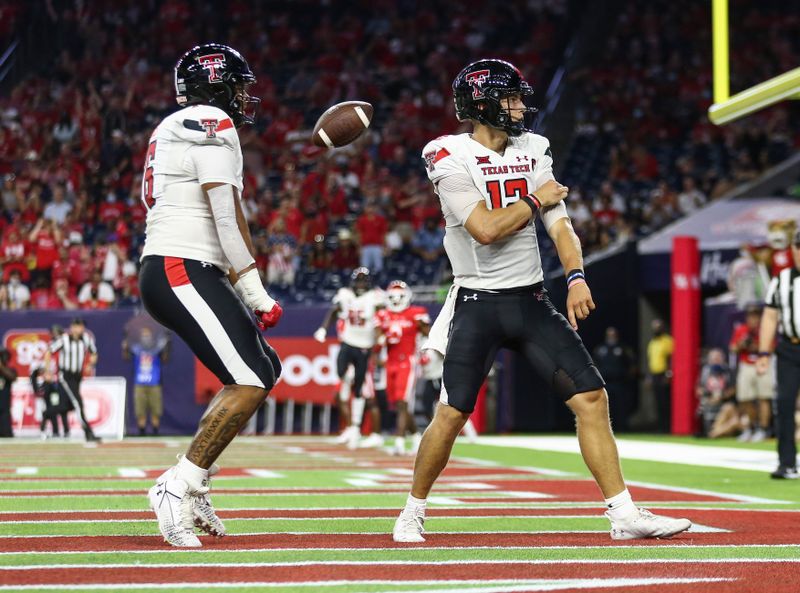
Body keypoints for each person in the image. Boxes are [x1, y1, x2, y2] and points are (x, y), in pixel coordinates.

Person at [392, 59, 690, 543]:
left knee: (592, 398)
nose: (518, 107)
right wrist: (534, 200)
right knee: (452, 412)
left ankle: (623, 515)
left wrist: (575, 276)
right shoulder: (447, 154)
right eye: (508, 99)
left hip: (531, 299)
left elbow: (561, 225)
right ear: (480, 106)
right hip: (477, 301)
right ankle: (412, 511)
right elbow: (485, 230)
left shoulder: (533, 148)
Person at [138, 44, 283, 547]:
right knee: (248, 378)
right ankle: (177, 486)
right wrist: (256, 291)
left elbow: (229, 209)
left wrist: (243, 283)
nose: (245, 97)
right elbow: (224, 216)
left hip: (183, 265)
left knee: (262, 369)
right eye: (238, 85)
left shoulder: (177, 126)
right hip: (182, 264)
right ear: (216, 85)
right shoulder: (210, 121)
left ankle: (195, 482)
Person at [314, 267, 384, 449]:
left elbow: (384, 313)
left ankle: (356, 428)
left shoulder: (375, 297)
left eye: (363, 280)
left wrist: (380, 338)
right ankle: (353, 428)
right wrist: (323, 328)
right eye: (358, 280)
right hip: (348, 342)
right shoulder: (344, 294)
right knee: (340, 374)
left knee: (360, 388)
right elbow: (334, 310)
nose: (360, 283)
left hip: (365, 347)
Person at [757, 230, 800, 479]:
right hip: (788, 348)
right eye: (798, 247)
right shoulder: (781, 279)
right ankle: (787, 463)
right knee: (783, 403)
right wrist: (764, 351)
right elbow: (770, 317)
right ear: (792, 249)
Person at [376, 281, 430, 455]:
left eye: (400, 296)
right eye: (392, 297)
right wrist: (381, 341)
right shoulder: (383, 314)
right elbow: (377, 342)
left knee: (402, 403)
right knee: (399, 405)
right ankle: (416, 437)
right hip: (390, 362)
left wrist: (424, 351)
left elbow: (427, 334)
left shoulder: (416, 313)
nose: (396, 300)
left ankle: (399, 442)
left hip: (407, 361)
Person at [43, 318, 100, 442]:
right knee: (78, 403)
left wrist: (90, 364)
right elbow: (49, 352)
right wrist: (47, 371)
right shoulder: (64, 339)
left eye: (81, 326)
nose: (79, 329)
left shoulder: (86, 339)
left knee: (67, 406)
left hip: (77, 377)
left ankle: (48, 412)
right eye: (76, 326)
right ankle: (88, 432)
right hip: (66, 376)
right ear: (72, 327)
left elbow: (94, 353)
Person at [730, 304, 774, 441]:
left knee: (764, 397)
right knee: (745, 398)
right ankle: (752, 427)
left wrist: (756, 346)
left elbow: (771, 349)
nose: (753, 319)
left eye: (755, 316)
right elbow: (733, 348)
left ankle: (764, 428)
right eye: (750, 316)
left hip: (762, 363)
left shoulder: (765, 330)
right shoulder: (741, 330)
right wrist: (742, 344)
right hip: (746, 364)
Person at [123, 327, 169, 436]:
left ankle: (155, 431)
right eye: (144, 335)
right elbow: (126, 357)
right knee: (140, 410)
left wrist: (167, 344)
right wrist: (125, 346)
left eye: (147, 335)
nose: (146, 337)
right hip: (139, 383)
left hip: (154, 383)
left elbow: (165, 359)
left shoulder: (157, 349)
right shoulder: (137, 349)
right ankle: (142, 431)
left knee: (156, 410)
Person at [592, 327, 636, 432]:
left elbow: (632, 364)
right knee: (605, 407)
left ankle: (622, 428)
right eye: (609, 334)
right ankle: (606, 429)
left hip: (619, 382)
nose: (611, 336)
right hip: (605, 383)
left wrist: (627, 377)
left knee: (621, 406)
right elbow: (593, 364)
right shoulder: (600, 348)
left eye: (613, 334)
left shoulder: (623, 348)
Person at [696, 348, 738, 438]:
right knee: (734, 421)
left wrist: (721, 396)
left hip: (725, 403)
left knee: (728, 408)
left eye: (718, 357)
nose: (716, 360)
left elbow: (734, 389)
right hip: (709, 401)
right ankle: (715, 432)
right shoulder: (705, 371)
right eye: (714, 358)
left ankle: (712, 434)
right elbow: (698, 390)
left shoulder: (728, 371)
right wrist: (709, 396)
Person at [647, 319, 674, 433]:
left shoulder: (668, 341)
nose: (656, 329)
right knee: (657, 401)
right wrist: (649, 377)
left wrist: (668, 374)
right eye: (654, 327)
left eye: (658, 327)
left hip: (664, 373)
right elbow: (650, 360)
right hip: (654, 374)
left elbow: (671, 358)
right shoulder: (652, 342)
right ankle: (661, 426)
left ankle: (668, 426)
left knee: (665, 401)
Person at [0, 347, 16, 437]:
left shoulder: (10, 370)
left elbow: (12, 377)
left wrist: (1, 367)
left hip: (4, 407)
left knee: (6, 434)